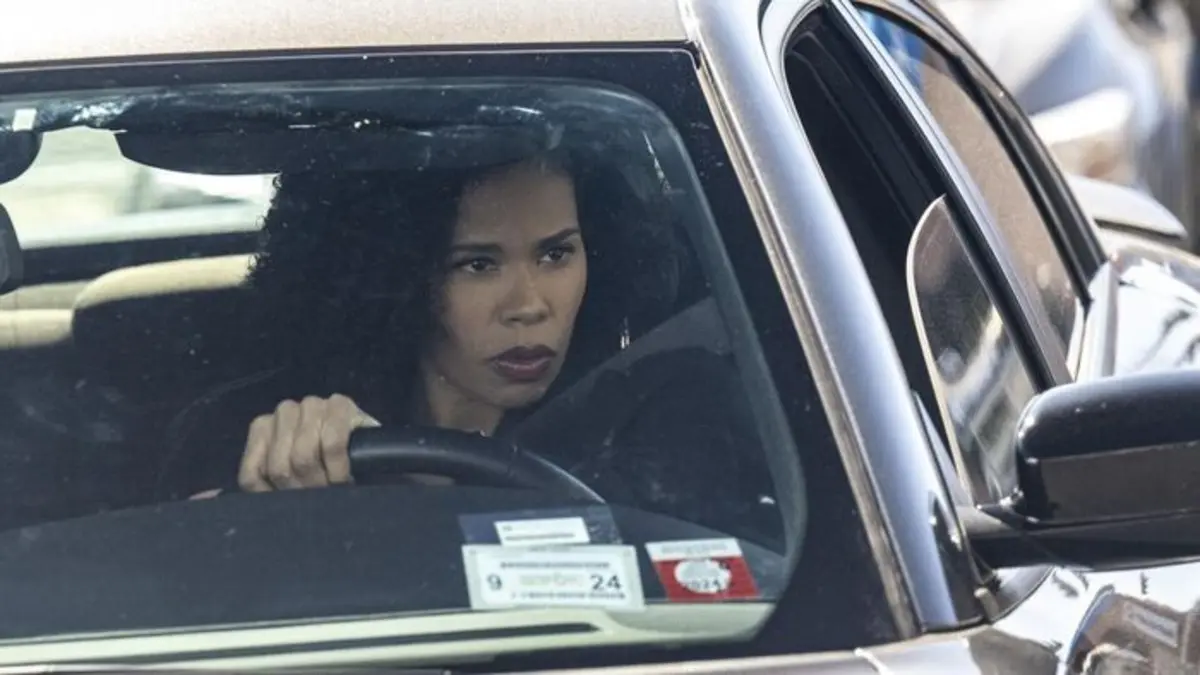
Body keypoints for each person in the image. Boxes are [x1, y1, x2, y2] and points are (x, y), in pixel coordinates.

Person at [170, 152, 783, 547]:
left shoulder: (674, 415)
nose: (529, 304)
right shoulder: (253, 430)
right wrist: (282, 499)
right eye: (478, 264)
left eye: (556, 254)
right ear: (393, 276)